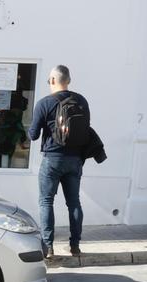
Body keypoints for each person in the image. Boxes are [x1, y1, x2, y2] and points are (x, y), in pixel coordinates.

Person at [28, 65, 90, 258]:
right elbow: (86, 129)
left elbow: (33, 135)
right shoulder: (82, 101)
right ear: (68, 80)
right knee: (74, 202)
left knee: (46, 202)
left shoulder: (44, 103)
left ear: (53, 80)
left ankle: (48, 248)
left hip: (53, 160)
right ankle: (75, 247)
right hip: (75, 160)